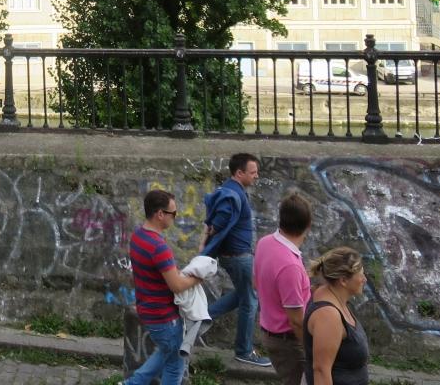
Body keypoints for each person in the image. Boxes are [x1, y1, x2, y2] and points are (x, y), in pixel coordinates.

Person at [125, 188, 203, 385]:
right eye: (173, 213)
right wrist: (198, 278)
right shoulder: (159, 247)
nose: (175, 217)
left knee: (166, 352)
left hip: (148, 311)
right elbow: (176, 285)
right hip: (164, 317)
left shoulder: (138, 236)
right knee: (174, 365)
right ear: (160, 214)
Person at [203, 152, 270, 367]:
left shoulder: (231, 190)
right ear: (239, 173)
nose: (256, 176)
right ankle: (244, 351)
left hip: (236, 256)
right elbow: (216, 224)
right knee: (250, 301)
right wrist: (211, 233)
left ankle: (199, 318)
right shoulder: (232, 194)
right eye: (253, 172)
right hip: (238, 257)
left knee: (244, 294)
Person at [254, 192, 314, 385]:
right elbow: (296, 321)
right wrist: (312, 350)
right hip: (289, 342)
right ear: (308, 225)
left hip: (270, 331)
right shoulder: (290, 267)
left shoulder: (265, 243)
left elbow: (256, 281)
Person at [304, 247, 370, 385]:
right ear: (343, 280)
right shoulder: (328, 315)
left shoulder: (332, 296)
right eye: (360, 274)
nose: (364, 279)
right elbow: (321, 371)